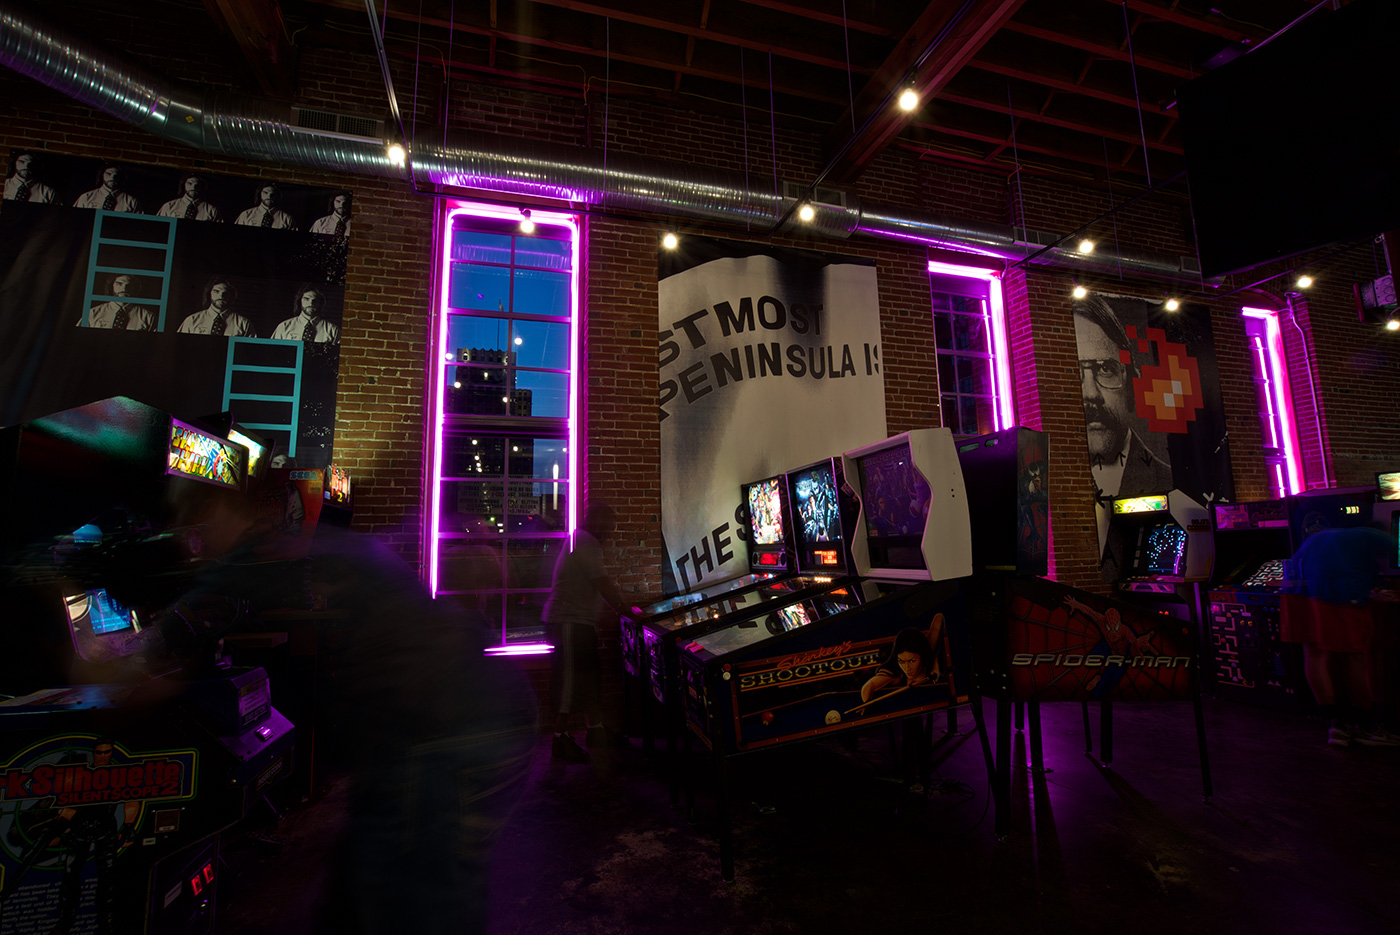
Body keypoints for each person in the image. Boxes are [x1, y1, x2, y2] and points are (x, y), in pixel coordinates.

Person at [160, 476, 538, 935]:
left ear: (217, 512)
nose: (187, 535)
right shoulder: (309, 545)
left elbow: (159, 638)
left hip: (442, 729)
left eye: (190, 522)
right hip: (477, 713)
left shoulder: (262, 553)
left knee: (401, 899)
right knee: (408, 888)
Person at [1074, 296, 1172, 579]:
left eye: (1105, 368)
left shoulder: (1165, 483)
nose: (1091, 393)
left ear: (1130, 382)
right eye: (1078, 372)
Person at [1282, 524, 1399, 747]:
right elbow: (1391, 571)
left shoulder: (1330, 536)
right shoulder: (1384, 539)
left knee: (1315, 657)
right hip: (1337, 595)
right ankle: (1369, 728)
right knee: (1355, 658)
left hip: (1294, 594)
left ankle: (1338, 725)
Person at [543, 501, 626, 763]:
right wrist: (629, 611)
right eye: (609, 528)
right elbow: (603, 585)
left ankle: (596, 730)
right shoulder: (586, 542)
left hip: (579, 622)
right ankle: (560, 739)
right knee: (569, 682)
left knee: (591, 678)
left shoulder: (581, 540)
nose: (610, 534)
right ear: (598, 523)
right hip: (569, 622)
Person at [859, 616, 946, 705]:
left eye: (912, 661)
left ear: (922, 656)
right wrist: (867, 704)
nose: (907, 668)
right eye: (902, 661)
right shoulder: (894, 671)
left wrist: (935, 661)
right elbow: (869, 686)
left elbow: (939, 617)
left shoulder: (929, 649)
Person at [177, 276, 256, 336]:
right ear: (209, 293)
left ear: (231, 295)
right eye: (216, 291)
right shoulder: (191, 321)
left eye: (225, 293)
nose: (221, 296)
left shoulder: (244, 324)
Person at [81, 273, 155, 330]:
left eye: (129, 285)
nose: (124, 288)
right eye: (119, 283)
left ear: (135, 289)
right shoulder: (92, 313)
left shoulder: (148, 317)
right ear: (111, 286)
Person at [270, 285, 340, 343]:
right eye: (306, 299)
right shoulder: (284, 327)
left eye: (315, 300)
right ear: (299, 301)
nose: (311, 303)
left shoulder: (333, 330)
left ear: (320, 303)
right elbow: (271, 352)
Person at [72, 163, 142, 212]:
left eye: (116, 175)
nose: (112, 177)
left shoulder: (132, 202)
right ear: (102, 175)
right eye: (109, 174)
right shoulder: (86, 197)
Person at [157, 172, 222, 221]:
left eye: (197, 185)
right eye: (190, 183)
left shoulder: (212, 210)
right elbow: (158, 227)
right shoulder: (169, 206)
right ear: (183, 185)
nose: (193, 187)